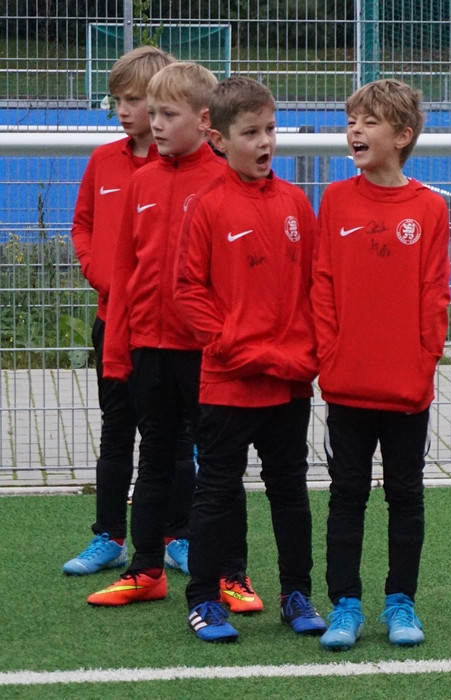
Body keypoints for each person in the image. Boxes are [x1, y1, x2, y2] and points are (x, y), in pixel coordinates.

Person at [86, 62, 246, 607]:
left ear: (204, 121)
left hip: (205, 353)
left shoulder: (225, 181)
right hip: (147, 350)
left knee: (218, 467)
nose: (154, 123)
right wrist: (117, 351)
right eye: (150, 112)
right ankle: (145, 569)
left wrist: (227, 341)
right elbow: (126, 269)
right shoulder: (142, 182)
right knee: (152, 461)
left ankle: (231, 573)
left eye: (166, 114)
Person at [172, 75, 325, 642]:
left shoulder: (295, 203)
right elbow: (188, 291)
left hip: (288, 382)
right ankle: (203, 600)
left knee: (290, 490)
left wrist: (307, 352)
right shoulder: (207, 206)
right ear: (218, 139)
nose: (265, 142)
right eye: (251, 132)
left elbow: (317, 286)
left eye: (271, 129)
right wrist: (232, 344)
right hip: (229, 380)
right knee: (216, 490)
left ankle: (296, 594)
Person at [312, 78, 451, 651]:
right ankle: (345, 604)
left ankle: (400, 601)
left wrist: (422, 364)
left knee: (405, 496)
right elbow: (322, 283)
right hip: (346, 386)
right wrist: (330, 356)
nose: (355, 131)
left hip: (406, 390)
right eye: (352, 122)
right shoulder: (335, 199)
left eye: (369, 122)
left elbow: (435, 296)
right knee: (346, 496)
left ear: (402, 135)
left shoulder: (430, 207)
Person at [65, 45, 197, 577]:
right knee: (116, 427)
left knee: (177, 436)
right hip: (114, 322)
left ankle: (177, 535)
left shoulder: (185, 168)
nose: (123, 110)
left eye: (134, 100)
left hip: (172, 331)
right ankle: (108, 536)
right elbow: (83, 225)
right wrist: (102, 275)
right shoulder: (104, 161)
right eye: (117, 100)